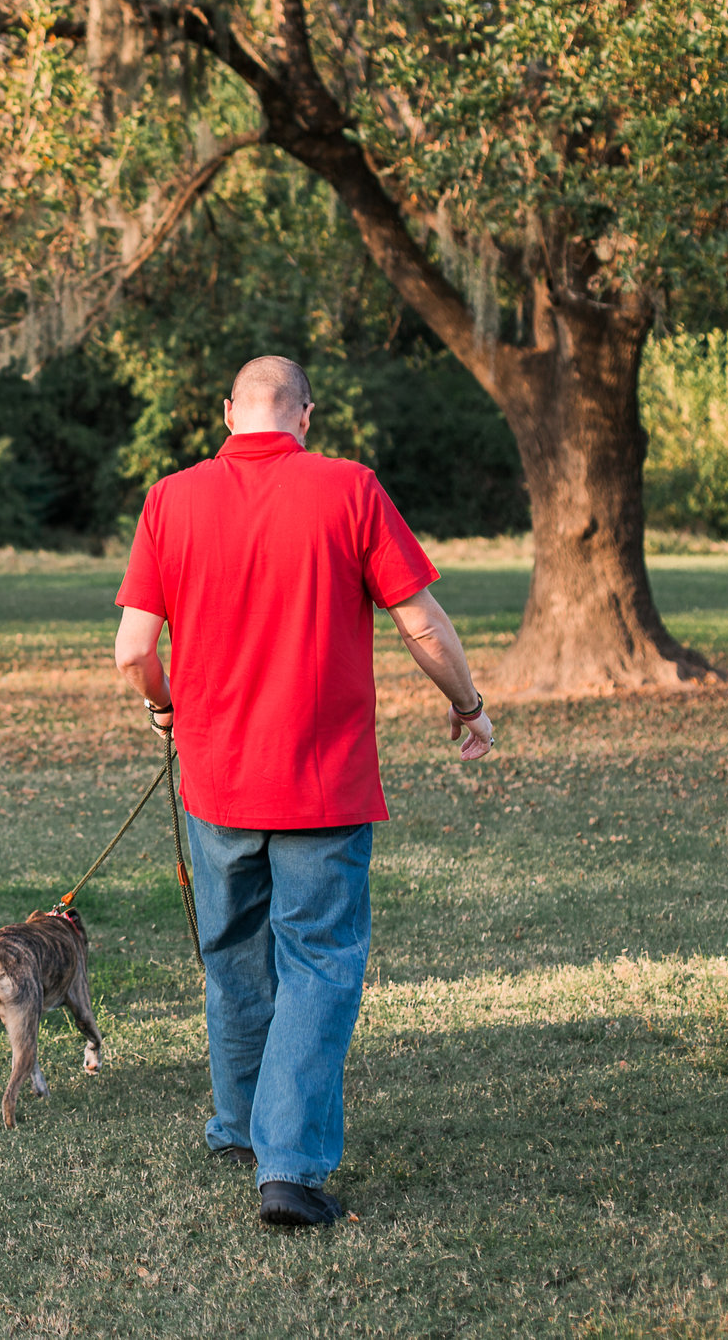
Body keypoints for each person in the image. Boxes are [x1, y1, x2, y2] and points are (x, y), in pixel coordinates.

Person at [111, 356, 493, 1229]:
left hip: (215, 777)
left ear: (226, 411)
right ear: (306, 416)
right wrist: (467, 705)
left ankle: (241, 1127)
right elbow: (422, 619)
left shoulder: (171, 498)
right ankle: (287, 1164)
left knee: (234, 952)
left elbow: (134, 649)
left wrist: (162, 706)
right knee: (318, 961)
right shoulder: (350, 488)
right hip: (324, 780)